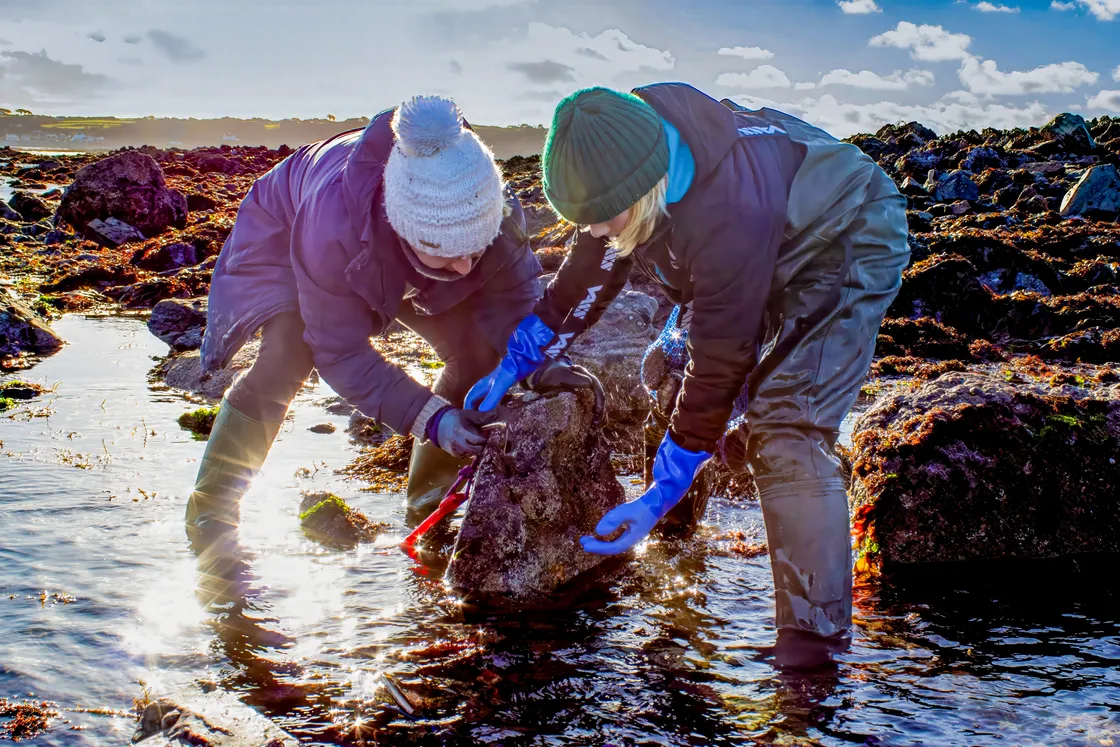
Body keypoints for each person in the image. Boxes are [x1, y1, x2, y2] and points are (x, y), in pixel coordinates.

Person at [466, 82, 909, 659]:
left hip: (843, 237)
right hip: (754, 245)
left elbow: (723, 355)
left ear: (643, 187)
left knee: (785, 430)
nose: (596, 230)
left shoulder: (725, 209)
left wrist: (659, 489)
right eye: (585, 219)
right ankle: (677, 539)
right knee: (670, 364)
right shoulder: (624, 158)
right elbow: (584, 276)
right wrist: (516, 363)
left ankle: (813, 650)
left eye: (602, 218)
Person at [187, 95, 546, 542]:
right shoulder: (330, 228)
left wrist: (539, 365)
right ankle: (211, 514)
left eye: (475, 251)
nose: (464, 270)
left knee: (477, 349)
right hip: (289, 227)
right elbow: (339, 351)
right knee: (288, 356)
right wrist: (431, 418)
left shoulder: (485, 198)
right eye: (446, 255)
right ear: (402, 230)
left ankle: (429, 514)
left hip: (393, 247)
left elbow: (516, 302)